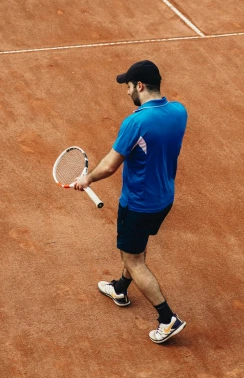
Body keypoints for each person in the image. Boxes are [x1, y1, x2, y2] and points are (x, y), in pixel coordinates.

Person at [73, 60, 188, 344]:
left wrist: (87, 179)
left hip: (138, 203)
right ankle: (121, 288)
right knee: (136, 248)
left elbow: (111, 166)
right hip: (164, 198)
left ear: (139, 86)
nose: (126, 93)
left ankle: (167, 318)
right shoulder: (179, 111)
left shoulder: (135, 122)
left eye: (128, 86)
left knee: (133, 258)